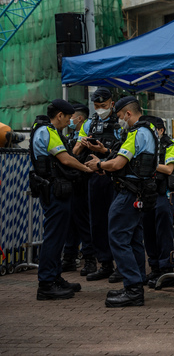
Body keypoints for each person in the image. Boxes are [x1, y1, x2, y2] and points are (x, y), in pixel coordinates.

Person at [85, 96, 159, 308]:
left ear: (128, 113)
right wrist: (105, 156)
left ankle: (133, 288)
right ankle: (135, 284)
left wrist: (99, 166)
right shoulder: (149, 130)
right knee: (133, 238)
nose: (119, 121)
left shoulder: (137, 132)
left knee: (117, 237)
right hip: (137, 192)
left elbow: (118, 163)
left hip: (129, 193)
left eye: (119, 116)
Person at [29, 99, 93, 300]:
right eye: (68, 117)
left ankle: (55, 277)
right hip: (54, 191)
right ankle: (46, 284)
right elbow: (65, 159)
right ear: (59, 116)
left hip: (56, 190)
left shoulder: (48, 131)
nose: (69, 121)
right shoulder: (48, 132)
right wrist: (87, 168)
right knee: (54, 238)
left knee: (58, 236)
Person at [72, 87, 122, 283]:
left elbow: (125, 152)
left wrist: (104, 149)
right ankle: (105, 263)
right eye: (96, 105)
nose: (100, 109)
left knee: (116, 222)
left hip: (115, 177)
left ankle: (120, 264)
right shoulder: (89, 124)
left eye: (103, 105)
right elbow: (75, 151)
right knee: (97, 222)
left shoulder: (120, 122)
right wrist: (83, 143)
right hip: (94, 177)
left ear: (111, 103)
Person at [142, 115, 174, 289]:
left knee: (163, 233)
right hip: (147, 194)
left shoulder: (169, 146)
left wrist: (148, 163)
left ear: (161, 130)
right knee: (148, 232)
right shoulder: (146, 145)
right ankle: (155, 267)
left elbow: (169, 169)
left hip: (163, 195)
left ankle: (167, 270)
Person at [61, 103, 97, 276]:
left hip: (84, 183)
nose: (69, 120)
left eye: (71, 117)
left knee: (83, 222)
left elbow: (74, 155)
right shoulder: (70, 136)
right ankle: (69, 258)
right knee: (70, 224)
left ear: (80, 118)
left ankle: (90, 259)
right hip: (72, 184)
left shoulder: (89, 136)